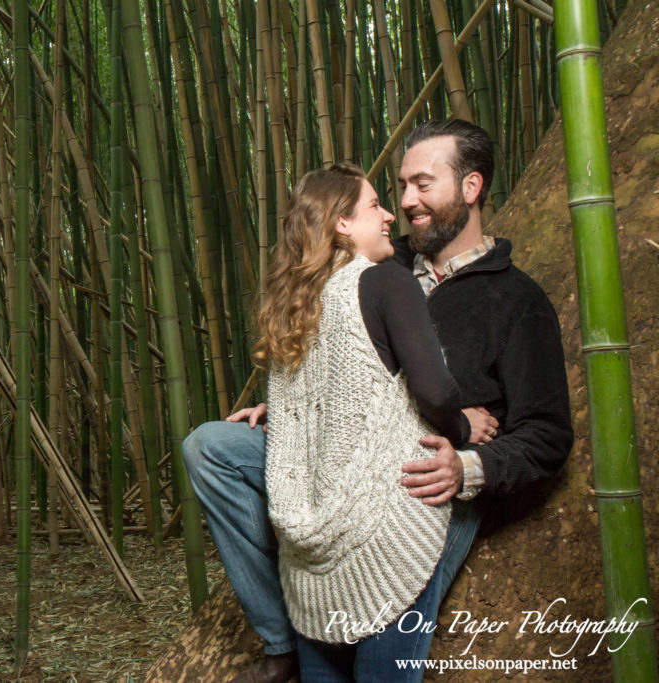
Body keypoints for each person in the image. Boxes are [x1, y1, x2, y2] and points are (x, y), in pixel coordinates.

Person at [182, 119, 573, 683]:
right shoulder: (372, 271)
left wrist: (467, 466)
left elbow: (547, 434)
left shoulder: (515, 299)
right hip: (333, 468)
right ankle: (282, 638)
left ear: (471, 188)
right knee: (213, 447)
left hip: (422, 482)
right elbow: (331, 366)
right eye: (400, 186)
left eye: (422, 184)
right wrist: (298, 411)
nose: (406, 202)